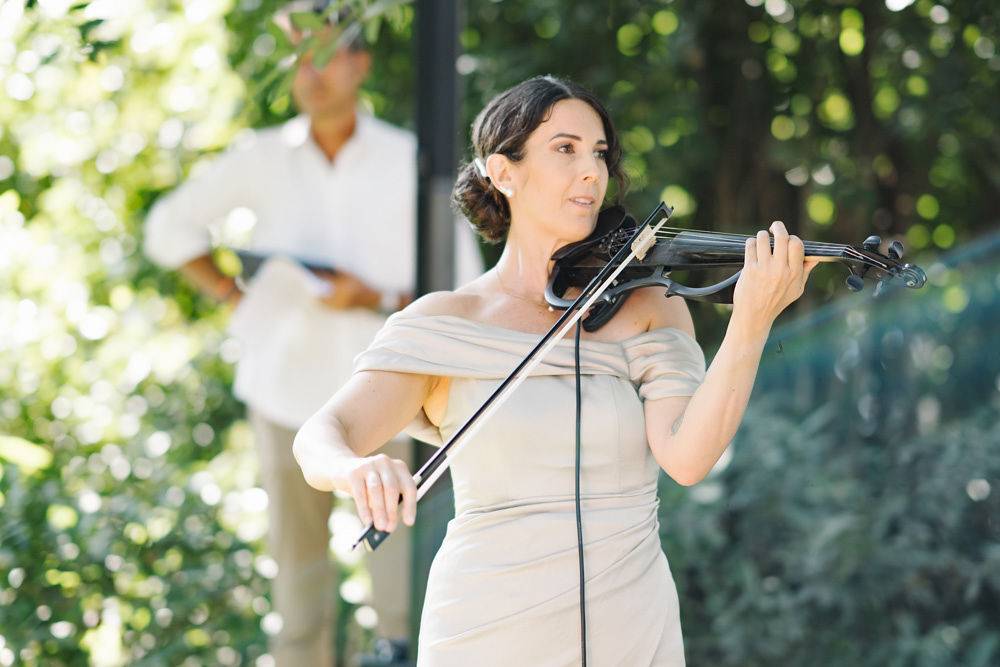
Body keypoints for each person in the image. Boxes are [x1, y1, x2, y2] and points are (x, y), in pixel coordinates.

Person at [292, 75, 818, 666]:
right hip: (486, 628)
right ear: (504, 172)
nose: (591, 171)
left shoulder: (649, 307)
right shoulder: (446, 322)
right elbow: (319, 438)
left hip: (630, 625)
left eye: (599, 153)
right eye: (565, 149)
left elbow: (689, 458)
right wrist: (355, 469)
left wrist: (751, 320)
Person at [144, 8, 481, 665]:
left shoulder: (407, 159)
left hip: (388, 406)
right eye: (297, 57)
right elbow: (166, 229)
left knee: (403, 597)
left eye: (323, 54)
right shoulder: (261, 157)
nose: (310, 72)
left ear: (360, 63)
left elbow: (464, 292)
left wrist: (373, 297)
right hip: (284, 397)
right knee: (297, 598)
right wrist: (232, 294)